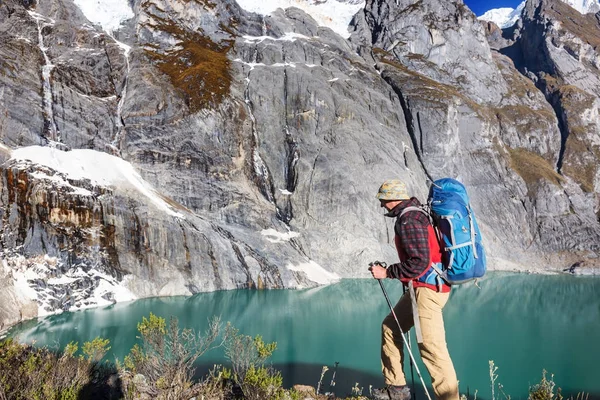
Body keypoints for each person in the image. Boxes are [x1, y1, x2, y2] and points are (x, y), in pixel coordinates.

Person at [369, 179, 459, 400]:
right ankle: (396, 389)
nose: (382, 205)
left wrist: (387, 272)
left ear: (391, 199)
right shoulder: (415, 214)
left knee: (432, 349)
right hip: (422, 288)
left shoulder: (409, 220)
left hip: (427, 291)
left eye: (383, 200)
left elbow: (420, 262)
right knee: (390, 327)